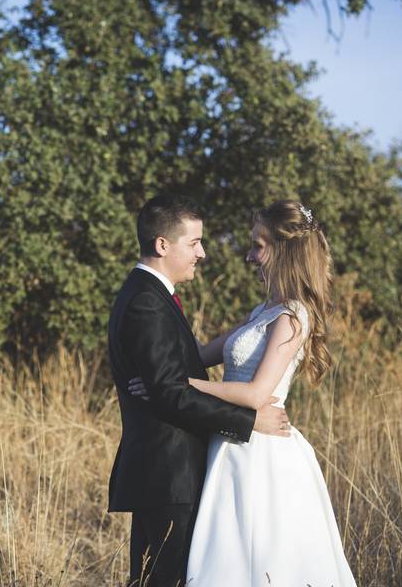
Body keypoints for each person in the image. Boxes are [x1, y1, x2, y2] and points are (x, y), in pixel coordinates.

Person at [129, 200, 356, 585]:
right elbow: (200, 354)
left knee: (265, 555)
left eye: (258, 245)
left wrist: (176, 385)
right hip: (231, 443)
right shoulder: (262, 311)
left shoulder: (292, 317)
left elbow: (256, 393)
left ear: (284, 250)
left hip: (263, 449)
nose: (249, 256)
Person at [106, 195, 291, 587]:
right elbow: (170, 394)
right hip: (169, 474)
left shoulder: (150, 295)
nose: (202, 253)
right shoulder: (146, 303)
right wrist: (250, 420)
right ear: (162, 245)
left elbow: (175, 377)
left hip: (170, 471)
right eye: (194, 243)